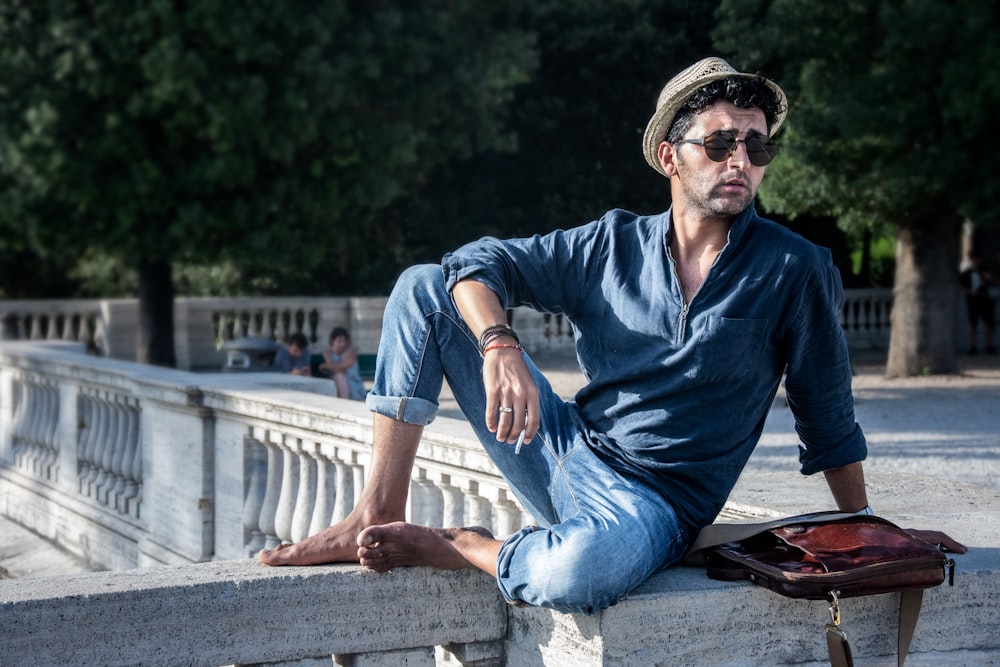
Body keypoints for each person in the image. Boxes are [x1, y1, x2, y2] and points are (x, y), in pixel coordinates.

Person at [259, 57, 964, 613]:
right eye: (720, 142)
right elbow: (470, 265)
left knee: (577, 572)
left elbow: (828, 417)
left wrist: (869, 532)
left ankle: (461, 545)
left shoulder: (793, 267)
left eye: (756, 145)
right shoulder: (609, 244)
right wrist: (499, 342)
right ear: (669, 156)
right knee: (422, 285)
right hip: (559, 445)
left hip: (653, 506)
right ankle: (375, 512)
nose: (740, 160)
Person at [959, 250, 996, 354]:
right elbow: (961, 285)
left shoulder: (984, 270)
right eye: (973, 259)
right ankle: (973, 346)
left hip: (984, 298)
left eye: (977, 259)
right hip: (972, 300)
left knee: (988, 323)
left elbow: (992, 280)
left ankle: (989, 345)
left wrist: (987, 278)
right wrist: (969, 291)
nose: (975, 261)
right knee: (973, 324)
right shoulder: (966, 273)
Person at [318, 327, 367, 400]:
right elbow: (335, 370)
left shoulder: (350, 351)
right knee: (337, 377)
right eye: (339, 341)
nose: (342, 344)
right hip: (335, 384)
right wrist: (332, 366)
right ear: (332, 341)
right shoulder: (327, 352)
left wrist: (325, 366)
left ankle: (344, 402)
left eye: (344, 341)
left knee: (339, 376)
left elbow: (339, 370)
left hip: (353, 385)